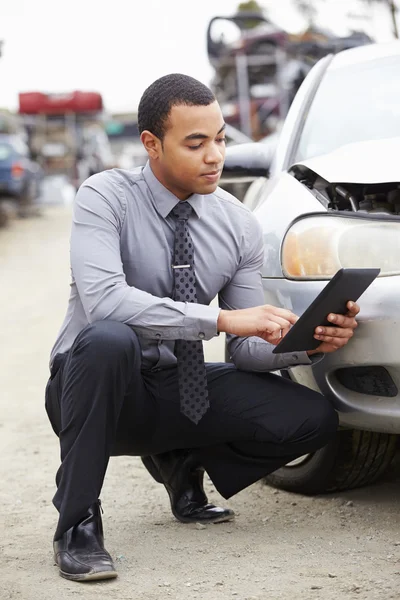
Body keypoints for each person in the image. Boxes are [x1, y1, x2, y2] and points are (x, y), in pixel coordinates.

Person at [45, 73, 359, 582]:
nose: (215, 155)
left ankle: (180, 460)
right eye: (196, 143)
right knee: (109, 339)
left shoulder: (238, 224)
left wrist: (305, 342)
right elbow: (104, 302)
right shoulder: (105, 197)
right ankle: (77, 522)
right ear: (152, 144)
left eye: (220, 139)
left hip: (173, 388)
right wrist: (218, 318)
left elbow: (246, 353)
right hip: (92, 388)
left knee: (310, 417)